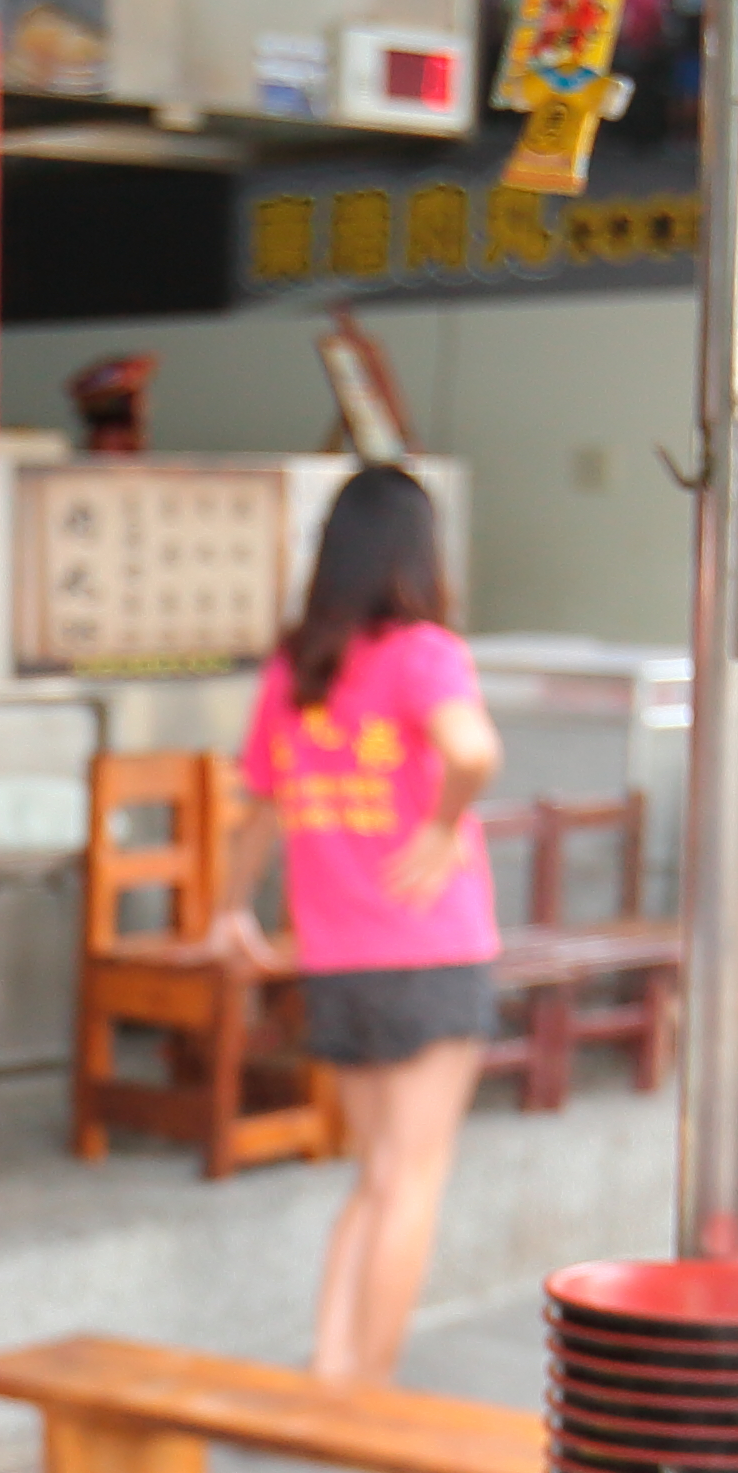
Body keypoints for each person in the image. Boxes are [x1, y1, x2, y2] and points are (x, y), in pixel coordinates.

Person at [226, 464, 503, 1388]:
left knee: (376, 1174)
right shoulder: (423, 652)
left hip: (337, 956)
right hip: (430, 948)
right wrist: (441, 825)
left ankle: (331, 1371)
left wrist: (229, 910)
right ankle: (366, 1391)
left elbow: (259, 809)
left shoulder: (297, 665)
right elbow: (474, 751)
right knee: (412, 1180)